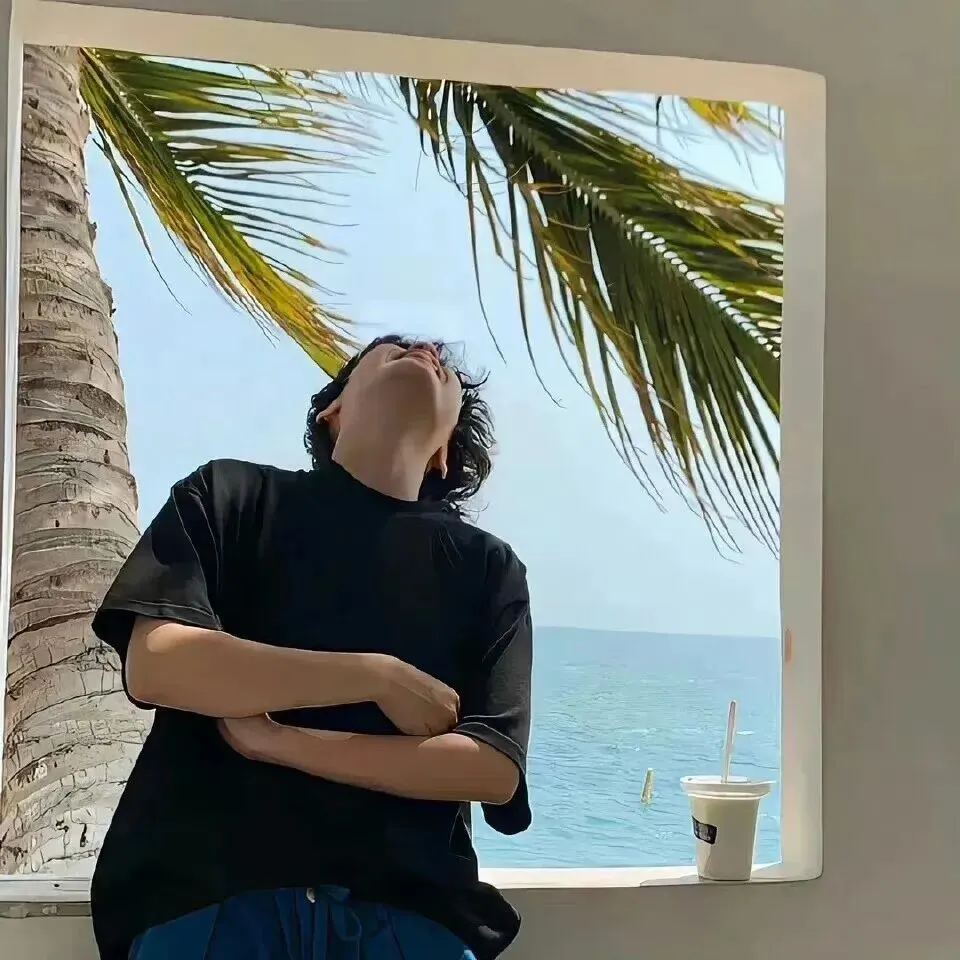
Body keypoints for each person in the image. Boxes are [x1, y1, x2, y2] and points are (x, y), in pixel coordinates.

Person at [90, 335, 533, 960]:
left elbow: (492, 768)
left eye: (443, 366)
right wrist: (375, 677)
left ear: (443, 450)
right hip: (210, 901)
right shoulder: (230, 496)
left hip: (411, 920)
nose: (423, 350)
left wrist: (280, 742)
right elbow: (158, 662)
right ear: (334, 411)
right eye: (393, 347)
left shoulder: (488, 570)